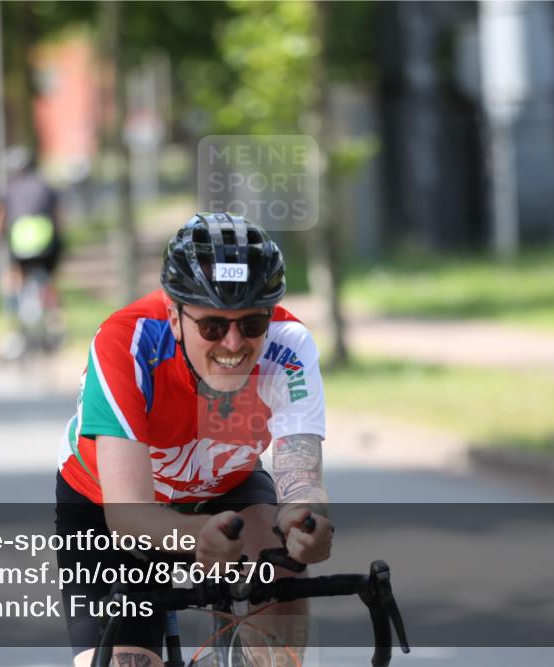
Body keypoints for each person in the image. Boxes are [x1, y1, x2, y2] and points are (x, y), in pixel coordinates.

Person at [54, 212, 333, 667]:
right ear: (174, 315)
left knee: (283, 571)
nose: (233, 343)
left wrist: (307, 522)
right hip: (108, 507)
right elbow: (128, 514)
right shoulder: (126, 344)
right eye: (212, 327)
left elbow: (300, 480)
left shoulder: (289, 346)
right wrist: (198, 535)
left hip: (224, 490)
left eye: (252, 324)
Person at [0, 146, 63, 357]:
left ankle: (13, 330)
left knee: (11, 280)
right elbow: (58, 217)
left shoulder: (8, 189)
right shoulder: (45, 186)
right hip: (47, 243)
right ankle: (55, 323)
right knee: (48, 282)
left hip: (21, 244)